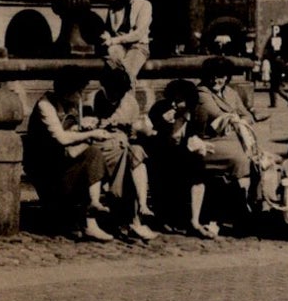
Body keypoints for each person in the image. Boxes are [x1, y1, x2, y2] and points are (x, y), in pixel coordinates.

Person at [24, 65, 123, 242]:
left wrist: (83, 126)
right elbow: (61, 138)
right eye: (79, 89)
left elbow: (71, 133)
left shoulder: (71, 104)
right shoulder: (45, 105)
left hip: (64, 160)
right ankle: (91, 214)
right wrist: (90, 134)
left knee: (100, 153)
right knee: (92, 154)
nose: (81, 94)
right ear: (68, 89)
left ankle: (92, 213)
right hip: (47, 170)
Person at [90, 40, 159, 240]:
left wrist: (139, 128)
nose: (114, 98)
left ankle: (141, 210)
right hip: (103, 147)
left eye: (118, 94)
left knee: (134, 154)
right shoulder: (97, 98)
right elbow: (95, 126)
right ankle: (135, 220)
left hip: (120, 147)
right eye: (112, 92)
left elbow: (129, 130)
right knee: (132, 155)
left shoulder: (129, 102)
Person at [145, 78, 218, 238]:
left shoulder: (199, 113)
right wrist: (164, 124)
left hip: (185, 151)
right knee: (163, 168)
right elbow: (151, 136)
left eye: (178, 101)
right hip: (161, 151)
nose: (173, 104)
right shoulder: (159, 109)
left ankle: (195, 220)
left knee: (197, 167)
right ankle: (164, 217)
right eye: (171, 99)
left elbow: (195, 138)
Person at [193, 57, 258, 232]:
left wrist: (239, 118)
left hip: (231, 139)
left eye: (221, 77)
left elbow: (247, 116)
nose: (216, 80)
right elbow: (216, 116)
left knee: (257, 158)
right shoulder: (202, 93)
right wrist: (237, 118)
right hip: (207, 143)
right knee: (240, 159)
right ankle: (241, 209)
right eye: (212, 76)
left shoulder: (230, 92)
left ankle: (247, 204)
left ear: (227, 77)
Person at [99, 0, 153, 79]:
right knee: (113, 65)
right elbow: (108, 29)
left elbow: (138, 34)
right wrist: (106, 36)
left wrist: (113, 40)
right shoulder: (114, 6)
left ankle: (129, 93)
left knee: (128, 73)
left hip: (138, 46)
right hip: (118, 46)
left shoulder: (145, 5)